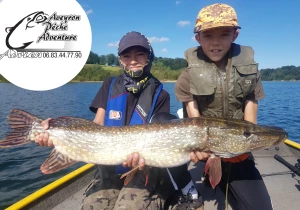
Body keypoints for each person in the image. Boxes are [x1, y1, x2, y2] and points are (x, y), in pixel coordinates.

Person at [35, 31, 203, 209]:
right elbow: (97, 125)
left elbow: (160, 136)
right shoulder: (109, 84)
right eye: (126, 55)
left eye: (140, 54)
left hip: (144, 169)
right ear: (120, 59)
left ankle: (165, 189)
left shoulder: (160, 94)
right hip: (108, 168)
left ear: (149, 57)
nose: (133, 60)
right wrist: (56, 132)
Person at [175, 3, 273, 210]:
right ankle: (210, 173)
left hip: (238, 147)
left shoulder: (251, 71)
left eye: (224, 34)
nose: (216, 43)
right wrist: (204, 151)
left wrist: (244, 148)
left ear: (235, 35)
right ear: (198, 38)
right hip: (207, 147)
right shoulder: (186, 76)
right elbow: (195, 122)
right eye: (208, 36)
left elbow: (250, 117)